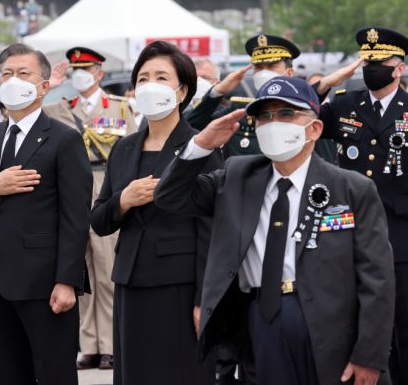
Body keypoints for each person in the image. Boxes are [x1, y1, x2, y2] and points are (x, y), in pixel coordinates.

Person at [155, 76, 395, 385]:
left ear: (315, 129)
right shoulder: (236, 176)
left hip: (331, 327)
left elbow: (377, 279)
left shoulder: (351, 188)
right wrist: (200, 145)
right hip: (260, 319)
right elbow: (169, 196)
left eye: (286, 114)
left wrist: (369, 355)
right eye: (264, 117)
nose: (273, 124)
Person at [0, 43, 92, 385]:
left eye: (23, 73)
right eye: (6, 74)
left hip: (44, 280)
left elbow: (75, 217)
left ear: (44, 85)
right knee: (10, 372)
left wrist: (67, 280)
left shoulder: (63, 139)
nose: (13, 80)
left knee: (55, 372)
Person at [90, 41, 220, 384]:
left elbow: (211, 229)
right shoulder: (124, 147)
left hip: (180, 283)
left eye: (161, 78)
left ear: (182, 91)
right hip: (131, 278)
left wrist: (203, 299)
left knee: (182, 372)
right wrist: (123, 200)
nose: (150, 86)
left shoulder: (200, 146)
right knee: (136, 372)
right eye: (143, 79)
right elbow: (99, 220)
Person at [317, 26, 408, 385]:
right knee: (350, 320)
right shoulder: (344, 103)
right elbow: (303, 117)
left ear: (399, 68)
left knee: (401, 323)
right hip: (349, 230)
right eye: (366, 62)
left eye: (379, 62)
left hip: (400, 233)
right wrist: (325, 84)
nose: (371, 68)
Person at [44, 47, 136, 370]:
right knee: (78, 269)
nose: (79, 75)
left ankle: (110, 343)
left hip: (105, 184)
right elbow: (16, 113)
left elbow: (132, 150)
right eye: (75, 71)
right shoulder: (59, 107)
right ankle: (89, 345)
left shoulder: (120, 107)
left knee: (106, 267)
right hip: (70, 189)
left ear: (99, 73)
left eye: (85, 69)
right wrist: (49, 86)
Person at [185, 34, 347, 163]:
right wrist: (217, 91)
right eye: (259, 67)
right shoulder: (239, 111)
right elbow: (190, 125)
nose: (264, 73)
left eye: (271, 67)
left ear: (289, 73)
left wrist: (321, 86)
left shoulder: (307, 114)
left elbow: (325, 160)